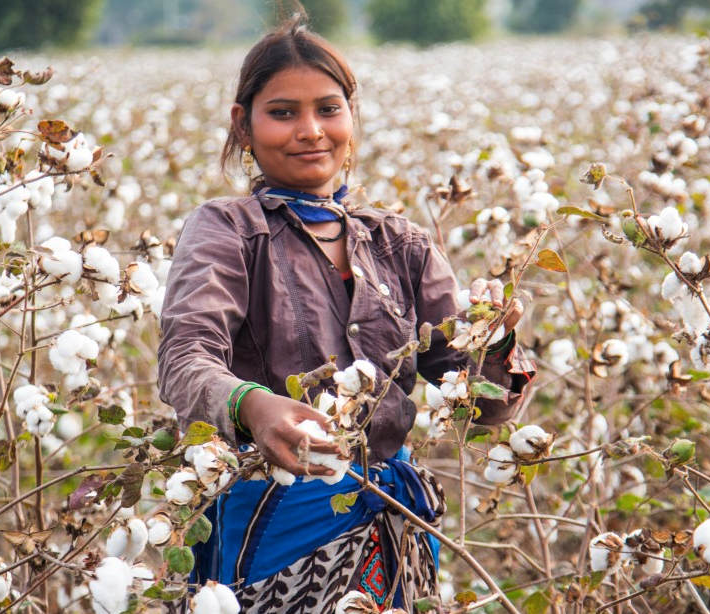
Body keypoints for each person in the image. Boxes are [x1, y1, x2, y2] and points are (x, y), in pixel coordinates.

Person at [157, 13, 535, 613]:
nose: (310, 131)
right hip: (272, 520)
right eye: (282, 112)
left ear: (351, 118)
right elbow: (185, 357)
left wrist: (495, 338)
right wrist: (250, 404)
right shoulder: (228, 231)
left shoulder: (400, 243)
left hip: (391, 522)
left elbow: (481, 407)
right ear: (243, 125)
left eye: (328, 109)